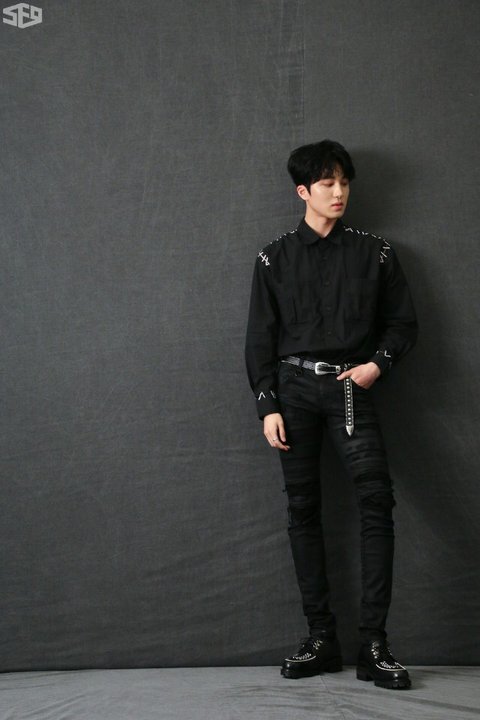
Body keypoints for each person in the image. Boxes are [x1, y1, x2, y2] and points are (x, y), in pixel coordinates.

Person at [244, 140, 418, 690]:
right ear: (304, 191)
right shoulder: (273, 258)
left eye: (344, 182)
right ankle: (321, 638)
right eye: (327, 183)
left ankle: (374, 645)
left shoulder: (376, 253)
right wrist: (267, 404)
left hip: (350, 388)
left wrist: (376, 366)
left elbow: (403, 324)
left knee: (376, 503)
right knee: (303, 509)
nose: (339, 192)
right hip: (293, 392)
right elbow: (259, 339)